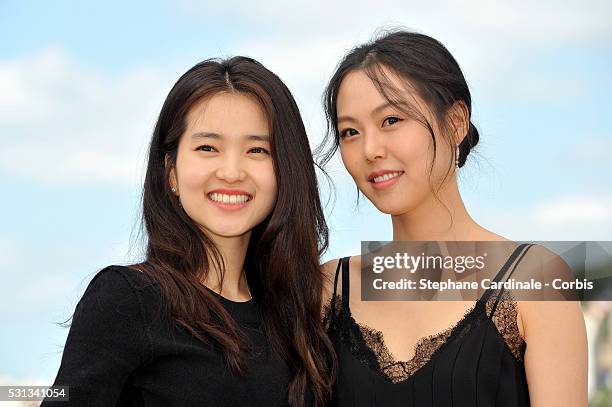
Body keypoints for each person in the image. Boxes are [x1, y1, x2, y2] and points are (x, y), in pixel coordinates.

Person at [43, 56, 335, 407]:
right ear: (171, 172)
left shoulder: (306, 305)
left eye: (256, 150)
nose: (231, 171)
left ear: (286, 171)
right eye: (207, 148)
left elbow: (414, 273)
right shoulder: (128, 298)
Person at [318, 30, 587, 406]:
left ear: (456, 122)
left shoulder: (535, 280)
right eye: (350, 132)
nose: (371, 149)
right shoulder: (328, 289)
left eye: (392, 120)